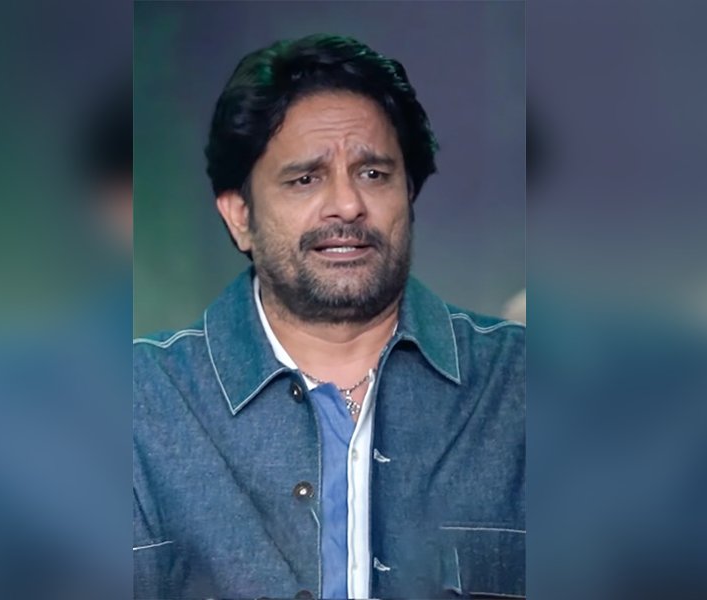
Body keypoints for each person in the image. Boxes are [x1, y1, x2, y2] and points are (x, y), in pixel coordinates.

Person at [133, 34, 525, 599]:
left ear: (409, 195)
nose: (347, 204)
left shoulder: (520, 385)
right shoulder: (141, 403)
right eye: (305, 179)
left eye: (373, 174)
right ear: (240, 216)